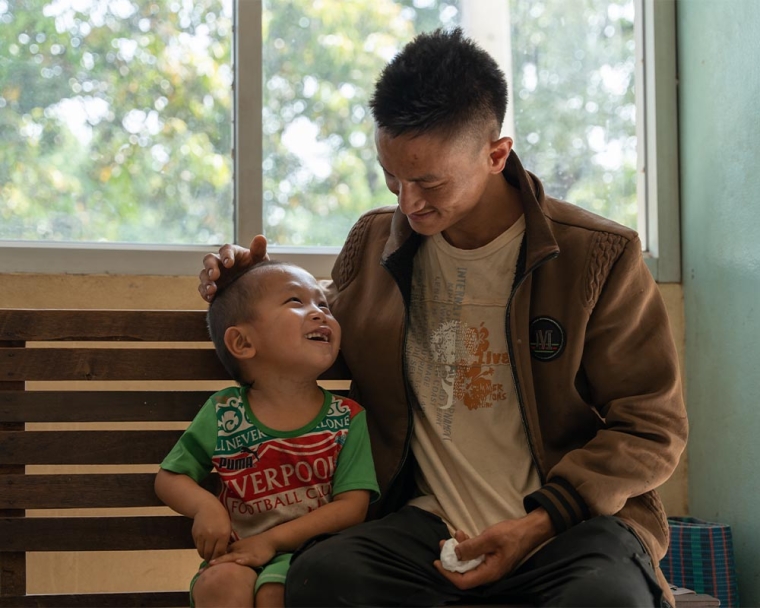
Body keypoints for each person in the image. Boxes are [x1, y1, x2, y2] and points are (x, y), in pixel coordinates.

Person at [198, 28, 687, 607]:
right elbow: (320, 323)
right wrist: (246, 284)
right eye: (392, 178)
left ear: (495, 154)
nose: (408, 203)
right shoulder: (378, 244)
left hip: (567, 529)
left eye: (430, 182)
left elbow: (651, 428)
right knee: (323, 578)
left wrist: (538, 523)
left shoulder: (597, 257)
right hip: (426, 528)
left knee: (607, 601)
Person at [156, 260, 379, 608]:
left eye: (324, 304)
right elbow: (171, 477)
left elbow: (352, 507)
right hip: (237, 554)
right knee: (218, 582)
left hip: (314, 555)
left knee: (281, 589)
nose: (320, 313)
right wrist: (205, 508)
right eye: (295, 302)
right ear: (243, 342)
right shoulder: (224, 412)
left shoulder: (347, 418)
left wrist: (272, 541)